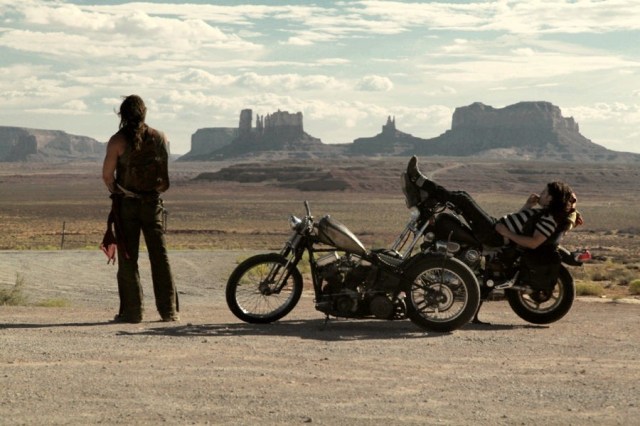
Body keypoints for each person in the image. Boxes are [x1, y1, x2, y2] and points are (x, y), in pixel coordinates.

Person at [102, 95, 178, 323]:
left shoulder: (117, 140)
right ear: (144, 113)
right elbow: (163, 175)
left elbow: (107, 176)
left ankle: (132, 312)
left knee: (128, 257)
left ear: (122, 115)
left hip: (127, 205)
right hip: (153, 204)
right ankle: (169, 312)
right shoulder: (160, 137)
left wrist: (118, 190)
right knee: (160, 256)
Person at [405, 156, 582, 251]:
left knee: (463, 199)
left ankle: (421, 183)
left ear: (551, 199)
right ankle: (423, 196)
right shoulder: (542, 213)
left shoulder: (549, 219)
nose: (541, 194)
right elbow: (521, 225)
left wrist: (507, 233)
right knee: (461, 197)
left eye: (544, 193)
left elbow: (534, 242)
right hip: (496, 227)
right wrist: (527, 206)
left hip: (495, 235)